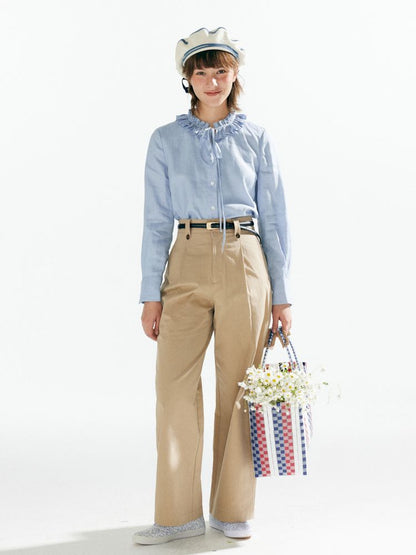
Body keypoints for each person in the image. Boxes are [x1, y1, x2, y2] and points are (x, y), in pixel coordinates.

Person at [133, 26, 292, 546]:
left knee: (240, 387)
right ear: (188, 79)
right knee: (173, 391)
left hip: (246, 259)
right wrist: (150, 293)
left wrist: (283, 296)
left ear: (234, 73)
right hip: (184, 261)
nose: (211, 81)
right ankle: (176, 516)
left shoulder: (256, 137)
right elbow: (156, 220)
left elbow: (274, 218)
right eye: (201, 72)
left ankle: (232, 511)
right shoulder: (165, 139)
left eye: (220, 70)